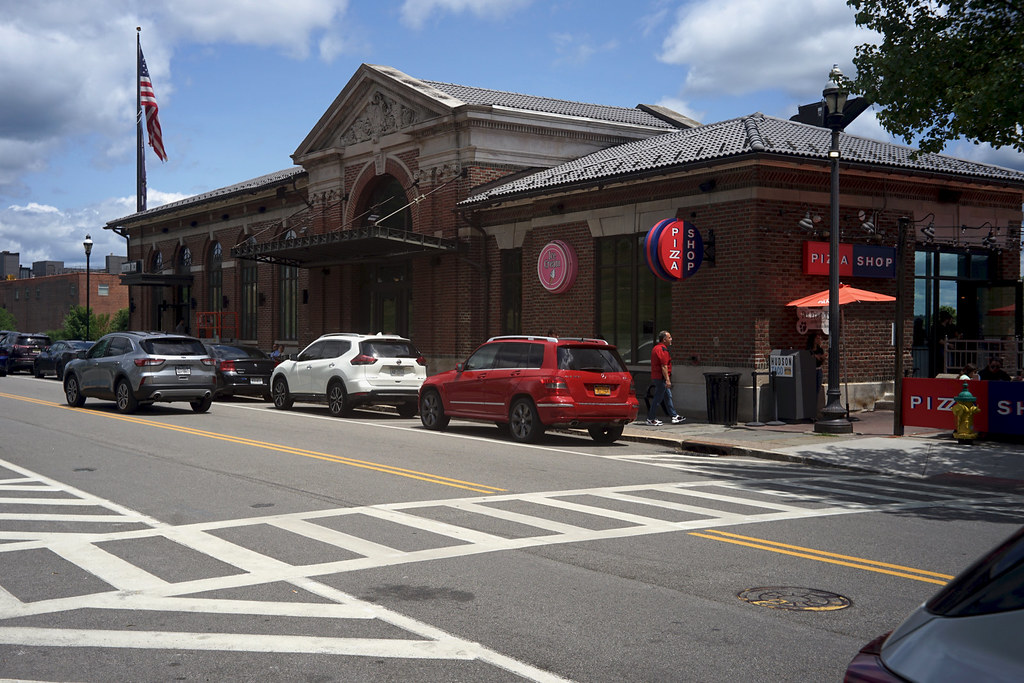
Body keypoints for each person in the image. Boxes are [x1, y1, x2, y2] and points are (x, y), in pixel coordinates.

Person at [646, 330, 685, 426]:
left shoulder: (656, 348)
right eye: (669, 337)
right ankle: (651, 418)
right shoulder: (662, 350)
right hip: (661, 378)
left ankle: (674, 416)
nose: (671, 339)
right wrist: (667, 380)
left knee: (668, 397)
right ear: (664, 339)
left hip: (658, 377)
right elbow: (664, 366)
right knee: (658, 399)